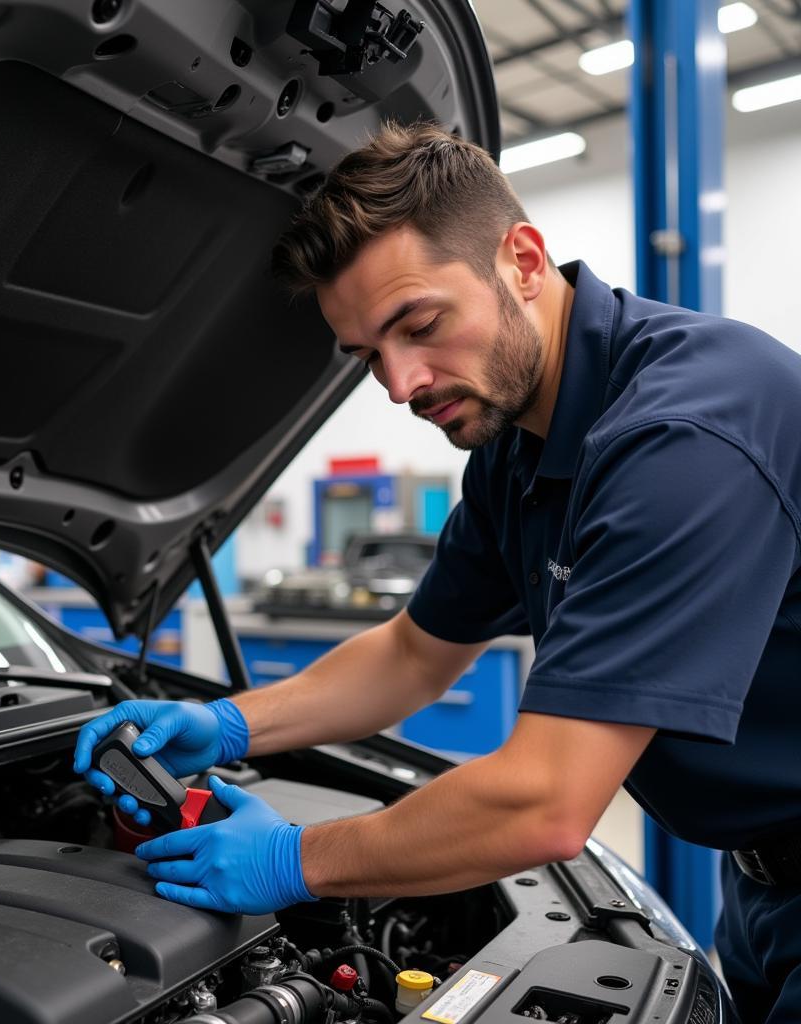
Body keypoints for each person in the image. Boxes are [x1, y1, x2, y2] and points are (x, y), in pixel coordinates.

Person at [73, 122, 801, 1022]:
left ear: (524, 260)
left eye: (419, 325)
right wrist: (224, 724)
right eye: (368, 355)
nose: (400, 383)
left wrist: (295, 858)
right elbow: (415, 654)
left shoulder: (682, 438)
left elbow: (545, 804)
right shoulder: (516, 450)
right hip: (764, 888)